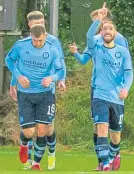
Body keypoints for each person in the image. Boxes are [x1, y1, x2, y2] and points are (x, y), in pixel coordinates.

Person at [70, 4, 133, 171]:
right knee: (98, 126)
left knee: (114, 133)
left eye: (97, 20)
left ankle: (115, 153)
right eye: (94, 21)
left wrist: (125, 87)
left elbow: (125, 67)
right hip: (97, 89)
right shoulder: (96, 40)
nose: (96, 24)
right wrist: (76, 53)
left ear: (106, 20)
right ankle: (102, 161)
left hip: (116, 92)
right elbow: (84, 60)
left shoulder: (120, 41)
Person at [9, 11, 66, 170]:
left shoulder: (53, 44)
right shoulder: (23, 44)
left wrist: (58, 80)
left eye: (42, 22)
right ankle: (27, 153)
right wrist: (15, 81)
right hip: (26, 92)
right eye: (36, 24)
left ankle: (43, 159)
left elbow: (60, 66)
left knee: (46, 129)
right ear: (30, 26)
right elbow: (16, 62)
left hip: (47, 91)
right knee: (29, 131)